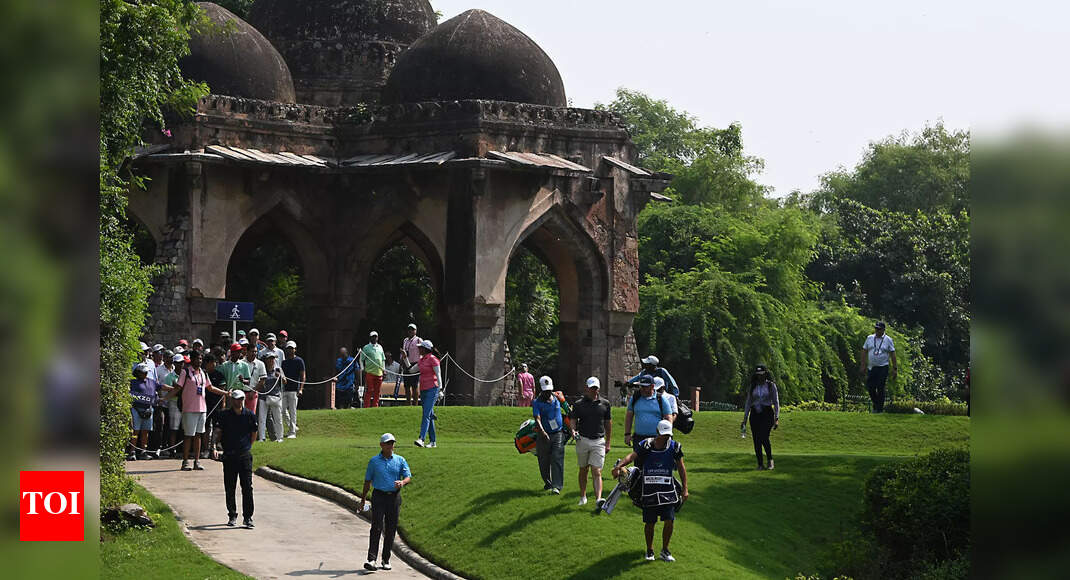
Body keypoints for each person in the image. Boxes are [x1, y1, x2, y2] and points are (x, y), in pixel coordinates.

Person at [612, 419, 689, 563]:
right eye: (664, 434)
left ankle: (665, 550)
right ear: (658, 432)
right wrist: (619, 466)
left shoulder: (675, 447)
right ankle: (650, 550)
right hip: (648, 490)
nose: (666, 437)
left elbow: (681, 468)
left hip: (667, 490)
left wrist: (685, 489)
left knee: (670, 520)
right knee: (650, 523)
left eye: (668, 435)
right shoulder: (646, 445)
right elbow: (632, 456)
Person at [359, 433, 412, 572]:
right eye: (388, 443)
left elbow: (408, 476)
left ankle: (386, 559)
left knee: (391, 528)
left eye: (392, 443)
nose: (391, 446)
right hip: (378, 496)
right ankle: (371, 559)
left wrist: (402, 482)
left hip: (394, 497)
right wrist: (363, 499)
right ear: (381, 445)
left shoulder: (400, 460)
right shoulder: (374, 461)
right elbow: (367, 481)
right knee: (376, 526)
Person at [173, 349, 228, 471]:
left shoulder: (203, 373)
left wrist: (225, 393)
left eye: (201, 359)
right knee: (188, 435)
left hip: (202, 408)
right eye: (197, 358)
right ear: (192, 359)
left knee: (198, 435)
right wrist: (164, 398)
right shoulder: (185, 372)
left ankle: (197, 461)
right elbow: (177, 388)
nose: (199, 361)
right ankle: (185, 461)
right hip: (189, 408)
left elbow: (210, 387)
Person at [570, 376, 612, 507]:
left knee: (596, 470)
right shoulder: (578, 404)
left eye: (596, 388)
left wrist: (608, 442)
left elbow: (608, 423)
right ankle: (583, 496)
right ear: (586, 388)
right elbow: (573, 420)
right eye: (591, 388)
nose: (594, 390)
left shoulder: (605, 404)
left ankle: (598, 499)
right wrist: (573, 430)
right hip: (582, 439)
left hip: (599, 441)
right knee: (583, 469)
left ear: (598, 388)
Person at [219, 389, 258, 528]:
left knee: (247, 487)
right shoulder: (224, 415)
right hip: (229, 454)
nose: (238, 401)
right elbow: (219, 432)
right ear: (232, 400)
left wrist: (247, 447)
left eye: (241, 399)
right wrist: (215, 447)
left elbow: (254, 433)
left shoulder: (250, 415)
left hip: (244, 455)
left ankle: (248, 517)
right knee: (230, 487)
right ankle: (232, 515)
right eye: (236, 399)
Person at [741, 365, 780, 470]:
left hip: (767, 413)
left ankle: (770, 460)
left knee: (764, 437)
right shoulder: (753, 386)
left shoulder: (771, 386)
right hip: (755, 414)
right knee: (756, 439)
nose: (760, 377)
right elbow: (748, 403)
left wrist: (776, 418)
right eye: (758, 375)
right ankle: (760, 464)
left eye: (762, 375)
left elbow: (776, 403)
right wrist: (744, 419)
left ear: (766, 374)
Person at [532, 376, 565, 494]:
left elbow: (567, 408)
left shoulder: (556, 398)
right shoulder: (536, 402)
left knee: (557, 458)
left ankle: (557, 486)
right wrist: (542, 431)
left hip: (558, 433)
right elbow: (537, 418)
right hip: (543, 435)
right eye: (545, 391)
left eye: (549, 390)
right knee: (544, 461)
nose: (548, 393)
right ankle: (548, 482)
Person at [624, 376, 672, 453]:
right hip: (639, 438)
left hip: (657, 438)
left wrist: (667, 435)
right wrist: (627, 434)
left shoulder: (661, 399)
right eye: (641, 386)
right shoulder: (635, 398)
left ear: (652, 386)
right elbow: (629, 416)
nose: (642, 389)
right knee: (639, 463)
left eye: (644, 387)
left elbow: (668, 418)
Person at [860, 321, 898, 413]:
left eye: (879, 329)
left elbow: (893, 354)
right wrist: (863, 365)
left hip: (883, 367)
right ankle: (876, 404)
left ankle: (879, 409)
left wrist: (895, 368)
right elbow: (864, 351)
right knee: (870, 387)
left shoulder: (888, 340)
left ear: (883, 330)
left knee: (880, 387)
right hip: (871, 367)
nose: (877, 330)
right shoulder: (869, 338)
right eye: (876, 328)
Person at [413, 340, 441, 448]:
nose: (419, 349)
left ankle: (422, 439)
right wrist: (405, 358)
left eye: (420, 348)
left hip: (433, 389)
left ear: (425, 349)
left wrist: (441, 389)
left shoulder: (433, 359)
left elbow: (438, 375)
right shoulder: (422, 360)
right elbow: (411, 371)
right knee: (429, 415)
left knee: (426, 414)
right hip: (424, 389)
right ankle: (433, 441)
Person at [129, 363, 158, 460]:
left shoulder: (152, 382)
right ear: (138, 373)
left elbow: (161, 386)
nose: (145, 374)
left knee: (145, 432)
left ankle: (143, 452)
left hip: (148, 409)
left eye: (146, 372)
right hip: (136, 409)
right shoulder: (133, 382)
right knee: (135, 431)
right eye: (143, 372)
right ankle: (132, 452)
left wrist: (175, 388)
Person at [203, 353, 228, 460]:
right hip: (204, 404)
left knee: (217, 427)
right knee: (206, 427)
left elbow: (223, 391)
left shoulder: (219, 375)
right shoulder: (202, 374)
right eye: (213, 363)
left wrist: (223, 404)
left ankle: (214, 447)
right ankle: (205, 449)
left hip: (217, 405)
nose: (214, 364)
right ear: (207, 363)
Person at [258, 352, 286, 442]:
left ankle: (279, 437)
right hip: (263, 396)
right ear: (266, 360)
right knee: (262, 418)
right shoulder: (263, 369)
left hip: (275, 396)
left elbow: (285, 381)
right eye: (269, 359)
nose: (271, 360)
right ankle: (262, 437)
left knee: (278, 418)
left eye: (273, 358)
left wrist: (280, 377)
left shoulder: (278, 369)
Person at [280, 341, 305, 438]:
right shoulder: (284, 362)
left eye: (292, 348)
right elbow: (281, 374)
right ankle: (292, 427)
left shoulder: (299, 360)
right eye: (289, 348)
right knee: (282, 410)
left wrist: (301, 389)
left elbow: (303, 376)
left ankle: (292, 432)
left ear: (295, 349)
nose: (290, 350)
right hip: (284, 389)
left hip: (294, 390)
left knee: (293, 411)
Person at [360, 331, 386, 408]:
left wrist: (384, 370)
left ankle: (375, 406)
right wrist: (362, 368)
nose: (374, 338)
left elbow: (383, 359)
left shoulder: (380, 347)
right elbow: (361, 359)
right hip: (370, 372)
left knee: (377, 391)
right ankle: (366, 406)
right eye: (373, 337)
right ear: (370, 338)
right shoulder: (366, 347)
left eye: (375, 336)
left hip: (379, 372)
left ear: (377, 338)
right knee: (369, 390)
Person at [400, 324, 422, 406]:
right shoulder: (405, 340)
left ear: (415, 331)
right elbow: (403, 352)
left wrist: (421, 363)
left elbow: (423, 351)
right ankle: (408, 404)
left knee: (414, 386)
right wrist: (401, 362)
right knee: (406, 386)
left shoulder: (418, 340)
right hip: (406, 363)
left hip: (415, 364)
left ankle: (415, 404)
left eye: (412, 329)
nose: (410, 331)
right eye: (409, 329)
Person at [243, 341, 265, 415]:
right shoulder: (241, 362)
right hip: (241, 392)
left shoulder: (260, 364)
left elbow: (262, 380)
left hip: (252, 393)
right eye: (252, 351)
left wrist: (253, 391)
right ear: (247, 352)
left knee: (251, 415)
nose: (254, 353)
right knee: (240, 415)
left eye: (256, 352)